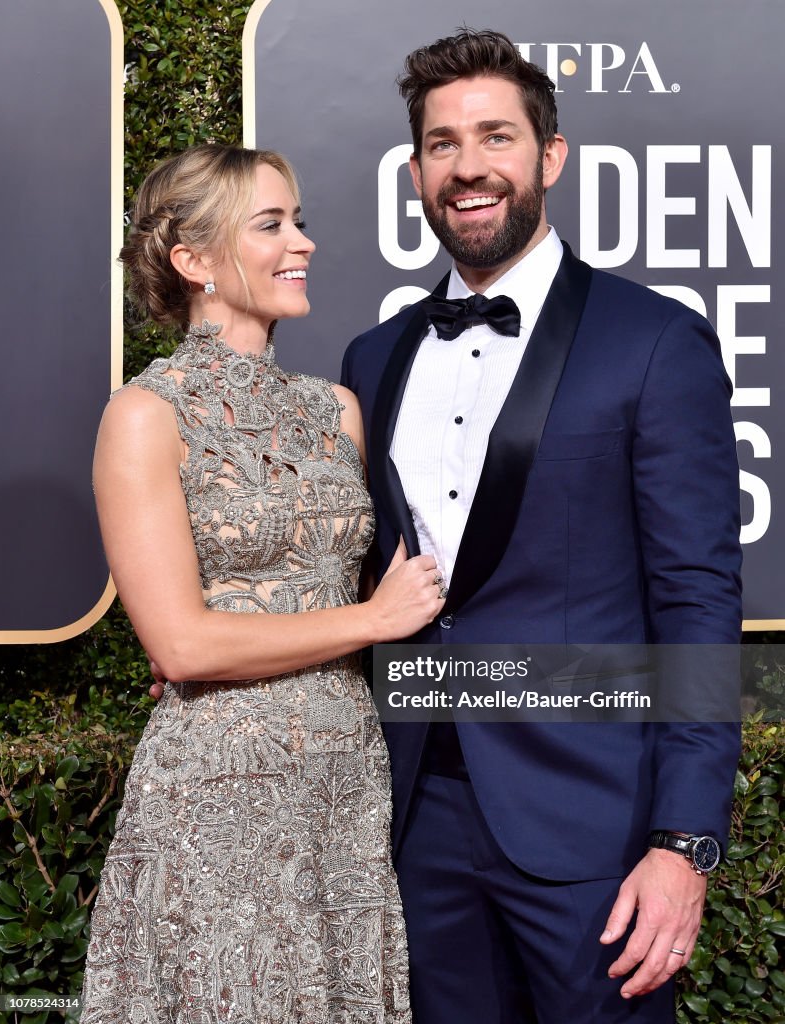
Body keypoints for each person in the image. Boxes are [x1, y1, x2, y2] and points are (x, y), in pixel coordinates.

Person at [340, 29, 742, 1024]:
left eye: (494, 137)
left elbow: (695, 598)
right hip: (412, 815)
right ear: (416, 169)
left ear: (547, 157)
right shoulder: (372, 357)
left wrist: (681, 840)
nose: (468, 166)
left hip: (592, 825)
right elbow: (355, 578)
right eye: (441, 144)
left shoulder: (651, 342)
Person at [81, 143, 445, 1023]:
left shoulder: (336, 409)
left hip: (348, 787)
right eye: (271, 225)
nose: (304, 242)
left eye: (300, 221)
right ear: (194, 260)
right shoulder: (143, 415)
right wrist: (371, 618)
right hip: (220, 798)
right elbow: (181, 644)